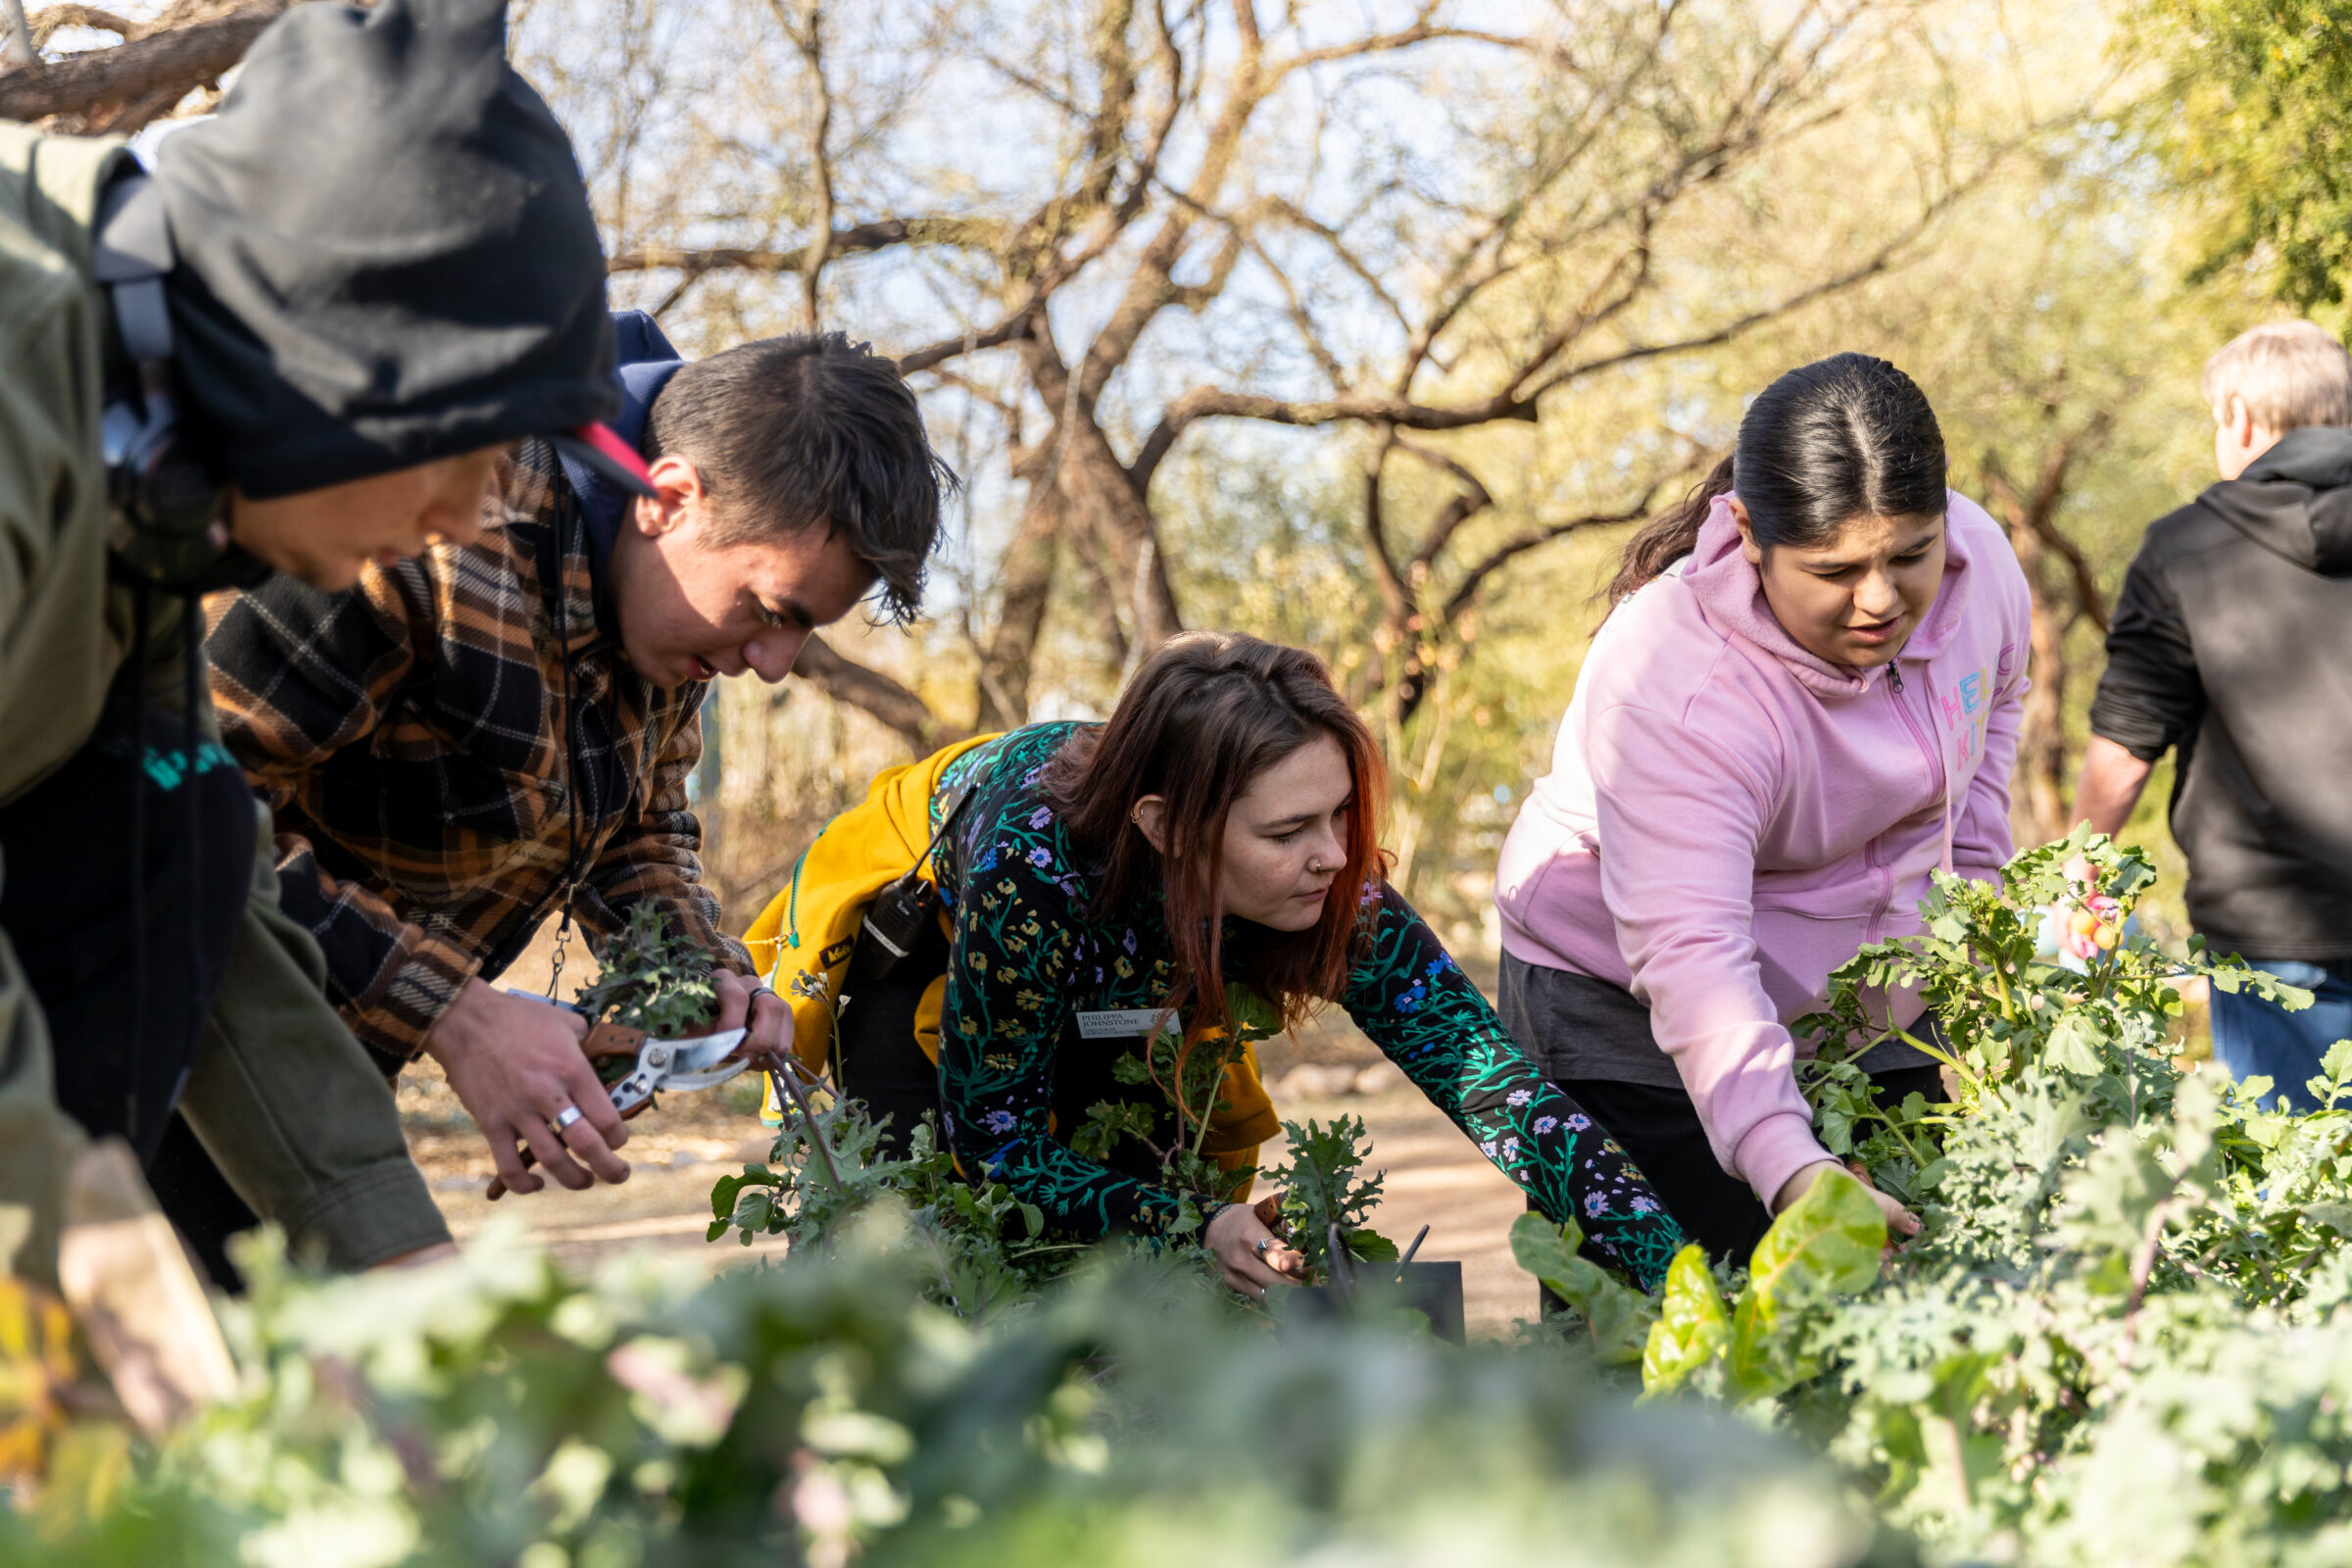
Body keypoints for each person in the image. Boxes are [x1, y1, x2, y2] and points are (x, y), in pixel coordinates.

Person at [0, 0, 630, 1286]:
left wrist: (399, 1273)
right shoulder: (20, 357)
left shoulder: (146, 507)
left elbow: (199, 894)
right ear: (337, 365)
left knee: (182, 818)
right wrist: (89, 1285)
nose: (459, 522)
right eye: (466, 457)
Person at [205, 311, 953, 1210]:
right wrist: (458, 1015)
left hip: (310, 1070)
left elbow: (639, 826)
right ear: (668, 497)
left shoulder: (667, 617)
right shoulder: (412, 514)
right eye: (769, 610)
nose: (774, 664)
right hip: (127, 1019)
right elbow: (172, 801)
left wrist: (695, 972)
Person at [753, 633, 1689, 1297]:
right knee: (941, 1251)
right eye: (1288, 830)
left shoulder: (1330, 878)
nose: (1331, 855)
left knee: (1162, 1242)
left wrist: (1682, 1273)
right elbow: (994, 1141)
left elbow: (1497, 1088)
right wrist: (1184, 1223)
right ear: (1169, 827)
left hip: (1150, 965)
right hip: (933, 970)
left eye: (1339, 816)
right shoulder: (1031, 870)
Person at [1493, 353, 2032, 1262]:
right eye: (1834, 570)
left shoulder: (1981, 569)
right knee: (1686, 1322)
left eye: (1910, 556)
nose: (1880, 599)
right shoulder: (1679, 682)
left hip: (1867, 982)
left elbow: (1986, 747)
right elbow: (1691, 950)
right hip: (1631, 1008)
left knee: (1904, 1296)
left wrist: (1976, 962)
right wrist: (1793, 1169)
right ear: (1747, 531)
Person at [2076, 321, 2352, 1112]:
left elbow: (2127, 744)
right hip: (2275, 930)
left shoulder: (2185, 549)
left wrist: (2080, 875)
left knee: (2298, 1207)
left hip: (2273, 934)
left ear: (2239, 415)